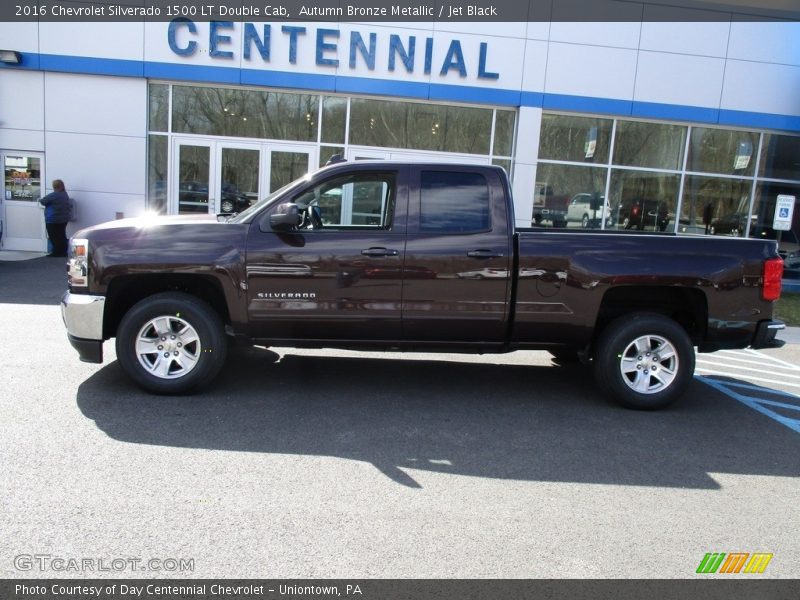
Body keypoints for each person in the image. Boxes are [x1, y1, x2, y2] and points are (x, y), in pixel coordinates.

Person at [39, 179, 71, 257]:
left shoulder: (54, 195)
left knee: (53, 236)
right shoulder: (65, 194)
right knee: (62, 235)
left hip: (53, 219)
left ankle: (56, 252)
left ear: (55, 186)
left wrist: (39, 199)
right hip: (63, 219)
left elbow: (43, 201)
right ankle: (63, 252)